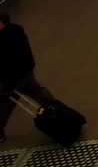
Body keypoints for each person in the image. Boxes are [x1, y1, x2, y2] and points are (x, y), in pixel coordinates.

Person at [0, 13, 59, 142]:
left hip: (13, 80)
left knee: (3, 106)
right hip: (26, 73)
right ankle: (59, 112)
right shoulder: (17, 31)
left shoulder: (3, 39)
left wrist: (7, 84)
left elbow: (7, 63)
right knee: (40, 93)